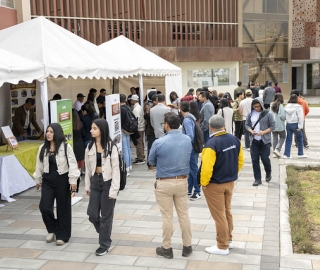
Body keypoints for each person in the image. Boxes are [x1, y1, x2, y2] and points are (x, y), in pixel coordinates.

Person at [148, 112, 193, 259]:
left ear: (166, 124)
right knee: (183, 214)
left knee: (167, 217)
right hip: (182, 181)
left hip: (164, 182)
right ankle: (187, 246)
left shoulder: (159, 142)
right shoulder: (187, 139)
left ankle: (166, 248)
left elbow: (151, 161)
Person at [200, 115, 244, 255]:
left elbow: (206, 168)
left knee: (219, 215)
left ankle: (222, 246)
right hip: (229, 183)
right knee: (227, 212)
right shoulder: (235, 140)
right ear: (224, 125)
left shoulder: (211, 144)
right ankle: (228, 240)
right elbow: (240, 160)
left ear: (210, 127)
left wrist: (204, 184)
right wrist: (231, 174)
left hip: (215, 185)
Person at [33, 123, 80, 246]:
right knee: (44, 207)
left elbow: (73, 164)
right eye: (47, 131)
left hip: (62, 179)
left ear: (57, 133)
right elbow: (39, 165)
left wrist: (73, 181)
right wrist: (38, 179)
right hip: (48, 180)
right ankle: (52, 228)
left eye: (51, 132)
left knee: (63, 209)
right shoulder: (42, 148)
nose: (48, 134)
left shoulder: (66, 147)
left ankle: (63, 235)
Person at [85, 119, 120, 256]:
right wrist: (87, 186)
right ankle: (104, 232)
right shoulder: (89, 147)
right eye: (91, 128)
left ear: (101, 130)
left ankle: (104, 244)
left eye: (94, 128)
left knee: (106, 216)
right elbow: (88, 169)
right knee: (92, 214)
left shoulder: (111, 147)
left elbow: (116, 170)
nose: (91, 130)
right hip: (95, 182)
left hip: (108, 182)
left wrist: (114, 190)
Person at [245, 98, 275, 186]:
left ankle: (268, 172)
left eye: (258, 106)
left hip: (265, 140)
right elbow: (246, 125)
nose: (256, 108)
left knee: (265, 158)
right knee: (254, 160)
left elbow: (273, 126)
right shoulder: (250, 114)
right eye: (254, 107)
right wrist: (251, 131)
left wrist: (263, 132)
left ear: (261, 105)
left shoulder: (268, 114)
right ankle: (257, 179)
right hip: (254, 140)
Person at [180, 101, 201, 200]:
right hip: (194, 147)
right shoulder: (191, 116)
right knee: (192, 169)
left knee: (193, 170)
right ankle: (189, 189)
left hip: (191, 148)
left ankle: (197, 192)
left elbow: (190, 136)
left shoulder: (186, 120)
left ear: (180, 109)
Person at [283, 94, 307, 159]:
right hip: (296, 124)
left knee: (288, 139)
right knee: (299, 138)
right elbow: (300, 117)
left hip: (288, 124)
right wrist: (300, 126)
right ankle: (300, 153)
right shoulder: (299, 107)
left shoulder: (286, 106)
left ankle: (286, 154)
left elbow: (284, 116)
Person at [72, 108, 85, 191]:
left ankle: (74, 181)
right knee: (79, 164)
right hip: (80, 144)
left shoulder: (70, 125)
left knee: (73, 164)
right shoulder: (80, 123)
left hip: (73, 145)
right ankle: (78, 179)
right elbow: (83, 134)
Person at [144, 92, 157, 171]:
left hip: (155, 131)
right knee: (151, 147)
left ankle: (154, 163)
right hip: (151, 131)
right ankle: (150, 164)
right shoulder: (150, 108)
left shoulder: (153, 108)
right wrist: (147, 111)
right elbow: (146, 117)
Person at [131, 94, 146, 164]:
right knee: (141, 142)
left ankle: (140, 158)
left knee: (139, 143)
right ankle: (141, 156)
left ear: (134, 100)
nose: (131, 101)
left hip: (139, 128)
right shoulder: (139, 107)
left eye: (131, 100)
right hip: (141, 127)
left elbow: (136, 120)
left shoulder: (136, 109)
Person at [120, 94, 133, 174]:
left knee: (124, 149)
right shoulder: (128, 107)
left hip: (123, 130)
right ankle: (130, 165)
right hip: (128, 130)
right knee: (128, 147)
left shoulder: (121, 109)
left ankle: (127, 167)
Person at [270, 93, 286, 158]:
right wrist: (285, 118)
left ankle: (274, 152)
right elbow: (282, 116)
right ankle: (277, 149)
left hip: (272, 124)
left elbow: (270, 114)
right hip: (279, 124)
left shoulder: (271, 105)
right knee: (283, 136)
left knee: (274, 138)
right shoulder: (280, 105)